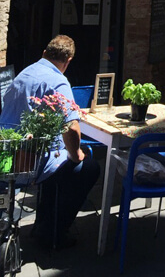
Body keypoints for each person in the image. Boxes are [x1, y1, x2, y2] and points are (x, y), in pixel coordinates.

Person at [0, 35, 100, 248]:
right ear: (68, 61)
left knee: (60, 166)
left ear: (44, 53)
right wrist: (77, 155)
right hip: (28, 161)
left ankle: (44, 225)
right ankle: (53, 232)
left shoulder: (25, 74)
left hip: (6, 155)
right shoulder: (58, 81)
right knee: (87, 167)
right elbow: (71, 127)